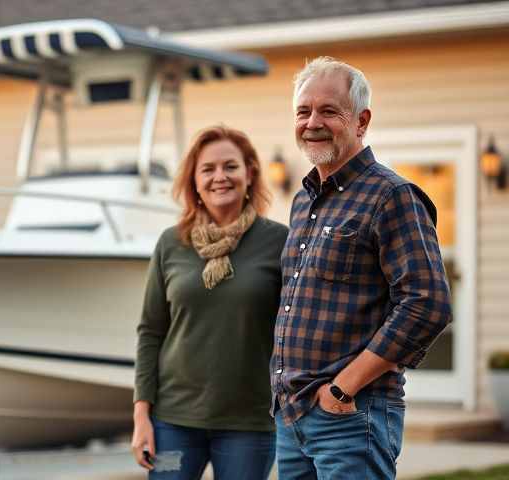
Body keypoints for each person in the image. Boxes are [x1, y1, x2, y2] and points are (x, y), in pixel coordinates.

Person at [271, 56, 453, 479]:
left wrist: (342, 387)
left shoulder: (392, 195)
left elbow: (427, 304)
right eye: (303, 111)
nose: (312, 121)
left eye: (329, 110)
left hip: (351, 416)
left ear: (361, 120)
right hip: (293, 416)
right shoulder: (303, 201)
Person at [132, 125, 288, 480]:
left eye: (230, 166)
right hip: (172, 423)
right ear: (194, 181)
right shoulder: (171, 244)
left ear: (249, 174)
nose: (220, 177)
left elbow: (295, 331)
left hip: (249, 424)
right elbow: (150, 332)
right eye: (208, 169)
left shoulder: (280, 242)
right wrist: (142, 417)